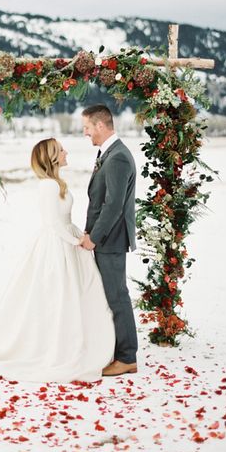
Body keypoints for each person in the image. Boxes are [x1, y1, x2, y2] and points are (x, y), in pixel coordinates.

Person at [0, 138, 115, 383]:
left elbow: (63, 220)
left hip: (69, 240)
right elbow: (52, 223)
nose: (66, 151)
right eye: (60, 150)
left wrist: (78, 236)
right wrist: (75, 241)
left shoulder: (57, 183)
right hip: (57, 246)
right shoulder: (47, 186)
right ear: (52, 157)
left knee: (79, 294)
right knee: (57, 295)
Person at [80, 105, 138, 377]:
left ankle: (127, 357)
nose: (85, 133)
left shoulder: (117, 158)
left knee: (117, 296)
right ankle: (117, 350)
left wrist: (95, 237)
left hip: (110, 239)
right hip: (106, 238)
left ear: (100, 126)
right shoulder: (110, 154)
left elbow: (113, 205)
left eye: (87, 128)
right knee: (112, 295)